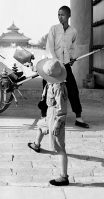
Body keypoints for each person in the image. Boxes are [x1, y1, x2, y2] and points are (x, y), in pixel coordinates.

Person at [45, 5, 89, 128]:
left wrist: (70, 58)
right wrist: (56, 62)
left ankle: (78, 117)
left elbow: (73, 48)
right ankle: (44, 116)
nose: (60, 17)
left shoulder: (73, 31)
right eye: (58, 14)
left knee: (73, 90)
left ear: (69, 15)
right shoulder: (53, 29)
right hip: (52, 65)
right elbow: (50, 47)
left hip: (65, 65)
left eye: (62, 15)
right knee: (47, 89)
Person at [28, 58, 69, 186]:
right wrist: (30, 66)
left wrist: (57, 123)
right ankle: (36, 144)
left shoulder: (58, 88)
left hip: (56, 116)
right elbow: (38, 71)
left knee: (59, 148)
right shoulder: (51, 82)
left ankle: (64, 177)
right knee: (40, 125)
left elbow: (62, 109)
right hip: (49, 114)